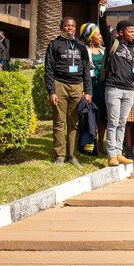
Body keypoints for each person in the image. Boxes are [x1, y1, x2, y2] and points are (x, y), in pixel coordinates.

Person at [98, 0, 134, 167]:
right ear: (121, 32)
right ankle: (111, 155)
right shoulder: (113, 43)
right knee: (113, 122)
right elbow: (103, 27)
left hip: (128, 90)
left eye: (133, 31)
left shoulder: (133, 50)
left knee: (122, 122)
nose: (133, 34)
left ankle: (118, 152)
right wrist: (102, 11)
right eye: (130, 32)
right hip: (113, 88)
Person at [44, 17, 92, 166]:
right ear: (61, 27)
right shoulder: (54, 44)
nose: (70, 28)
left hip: (77, 86)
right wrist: (51, 91)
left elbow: (86, 70)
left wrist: (88, 91)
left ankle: (72, 155)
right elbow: (48, 70)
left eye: (72, 26)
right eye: (67, 26)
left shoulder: (81, 46)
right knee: (59, 122)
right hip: (60, 85)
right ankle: (59, 155)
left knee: (74, 122)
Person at [80, 23, 106, 155]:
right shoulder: (84, 51)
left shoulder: (103, 50)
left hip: (103, 88)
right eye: (97, 34)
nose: (100, 37)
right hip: (90, 88)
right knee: (92, 118)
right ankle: (91, 145)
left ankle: (101, 144)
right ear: (90, 37)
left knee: (102, 118)